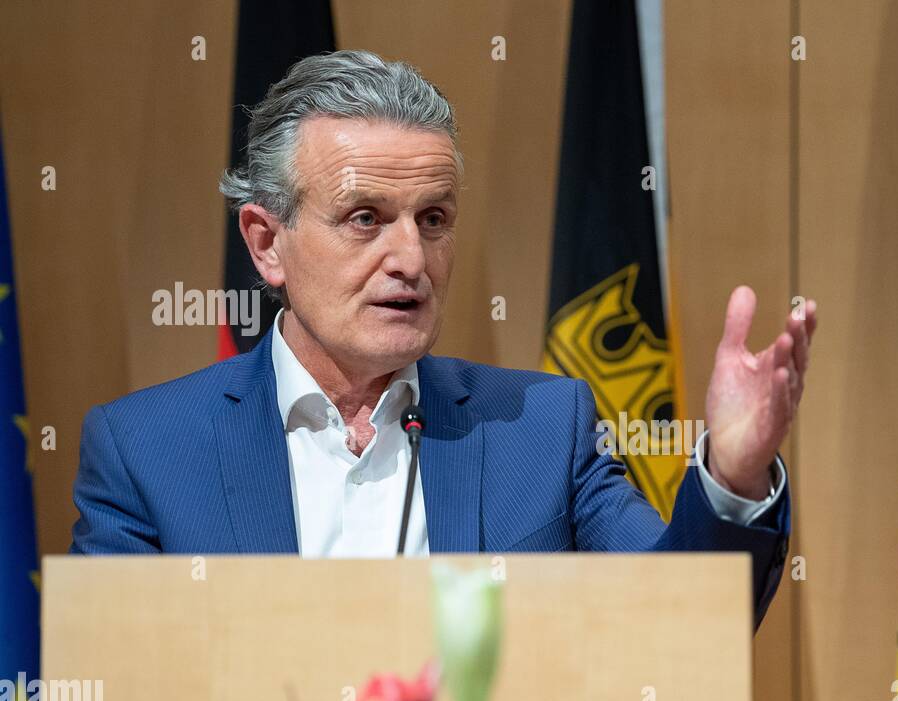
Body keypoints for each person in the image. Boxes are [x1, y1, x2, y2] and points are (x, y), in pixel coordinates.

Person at [69, 51, 816, 626]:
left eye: (434, 220)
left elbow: (679, 622)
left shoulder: (545, 431)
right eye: (365, 218)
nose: (411, 259)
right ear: (267, 243)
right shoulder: (146, 451)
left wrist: (735, 474)